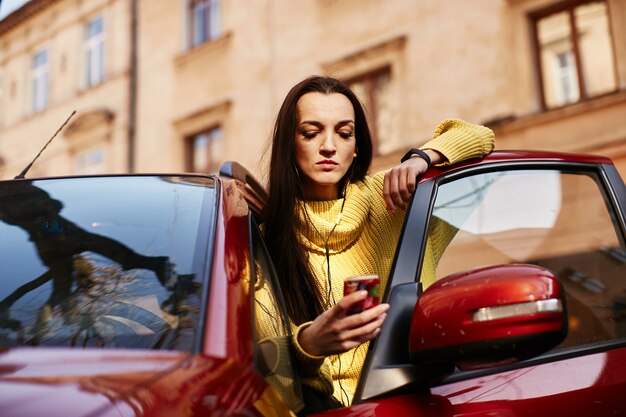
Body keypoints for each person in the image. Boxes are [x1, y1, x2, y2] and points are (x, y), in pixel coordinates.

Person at [259, 75, 495, 411]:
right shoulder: (266, 236)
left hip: (408, 405)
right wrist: (308, 344)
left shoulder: (394, 201)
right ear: (289, 143)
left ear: (357, 146)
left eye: (344, 133)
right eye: (311, 133)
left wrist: (422, 158)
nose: (329, 146)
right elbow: (258, 363)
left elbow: (480, 136)